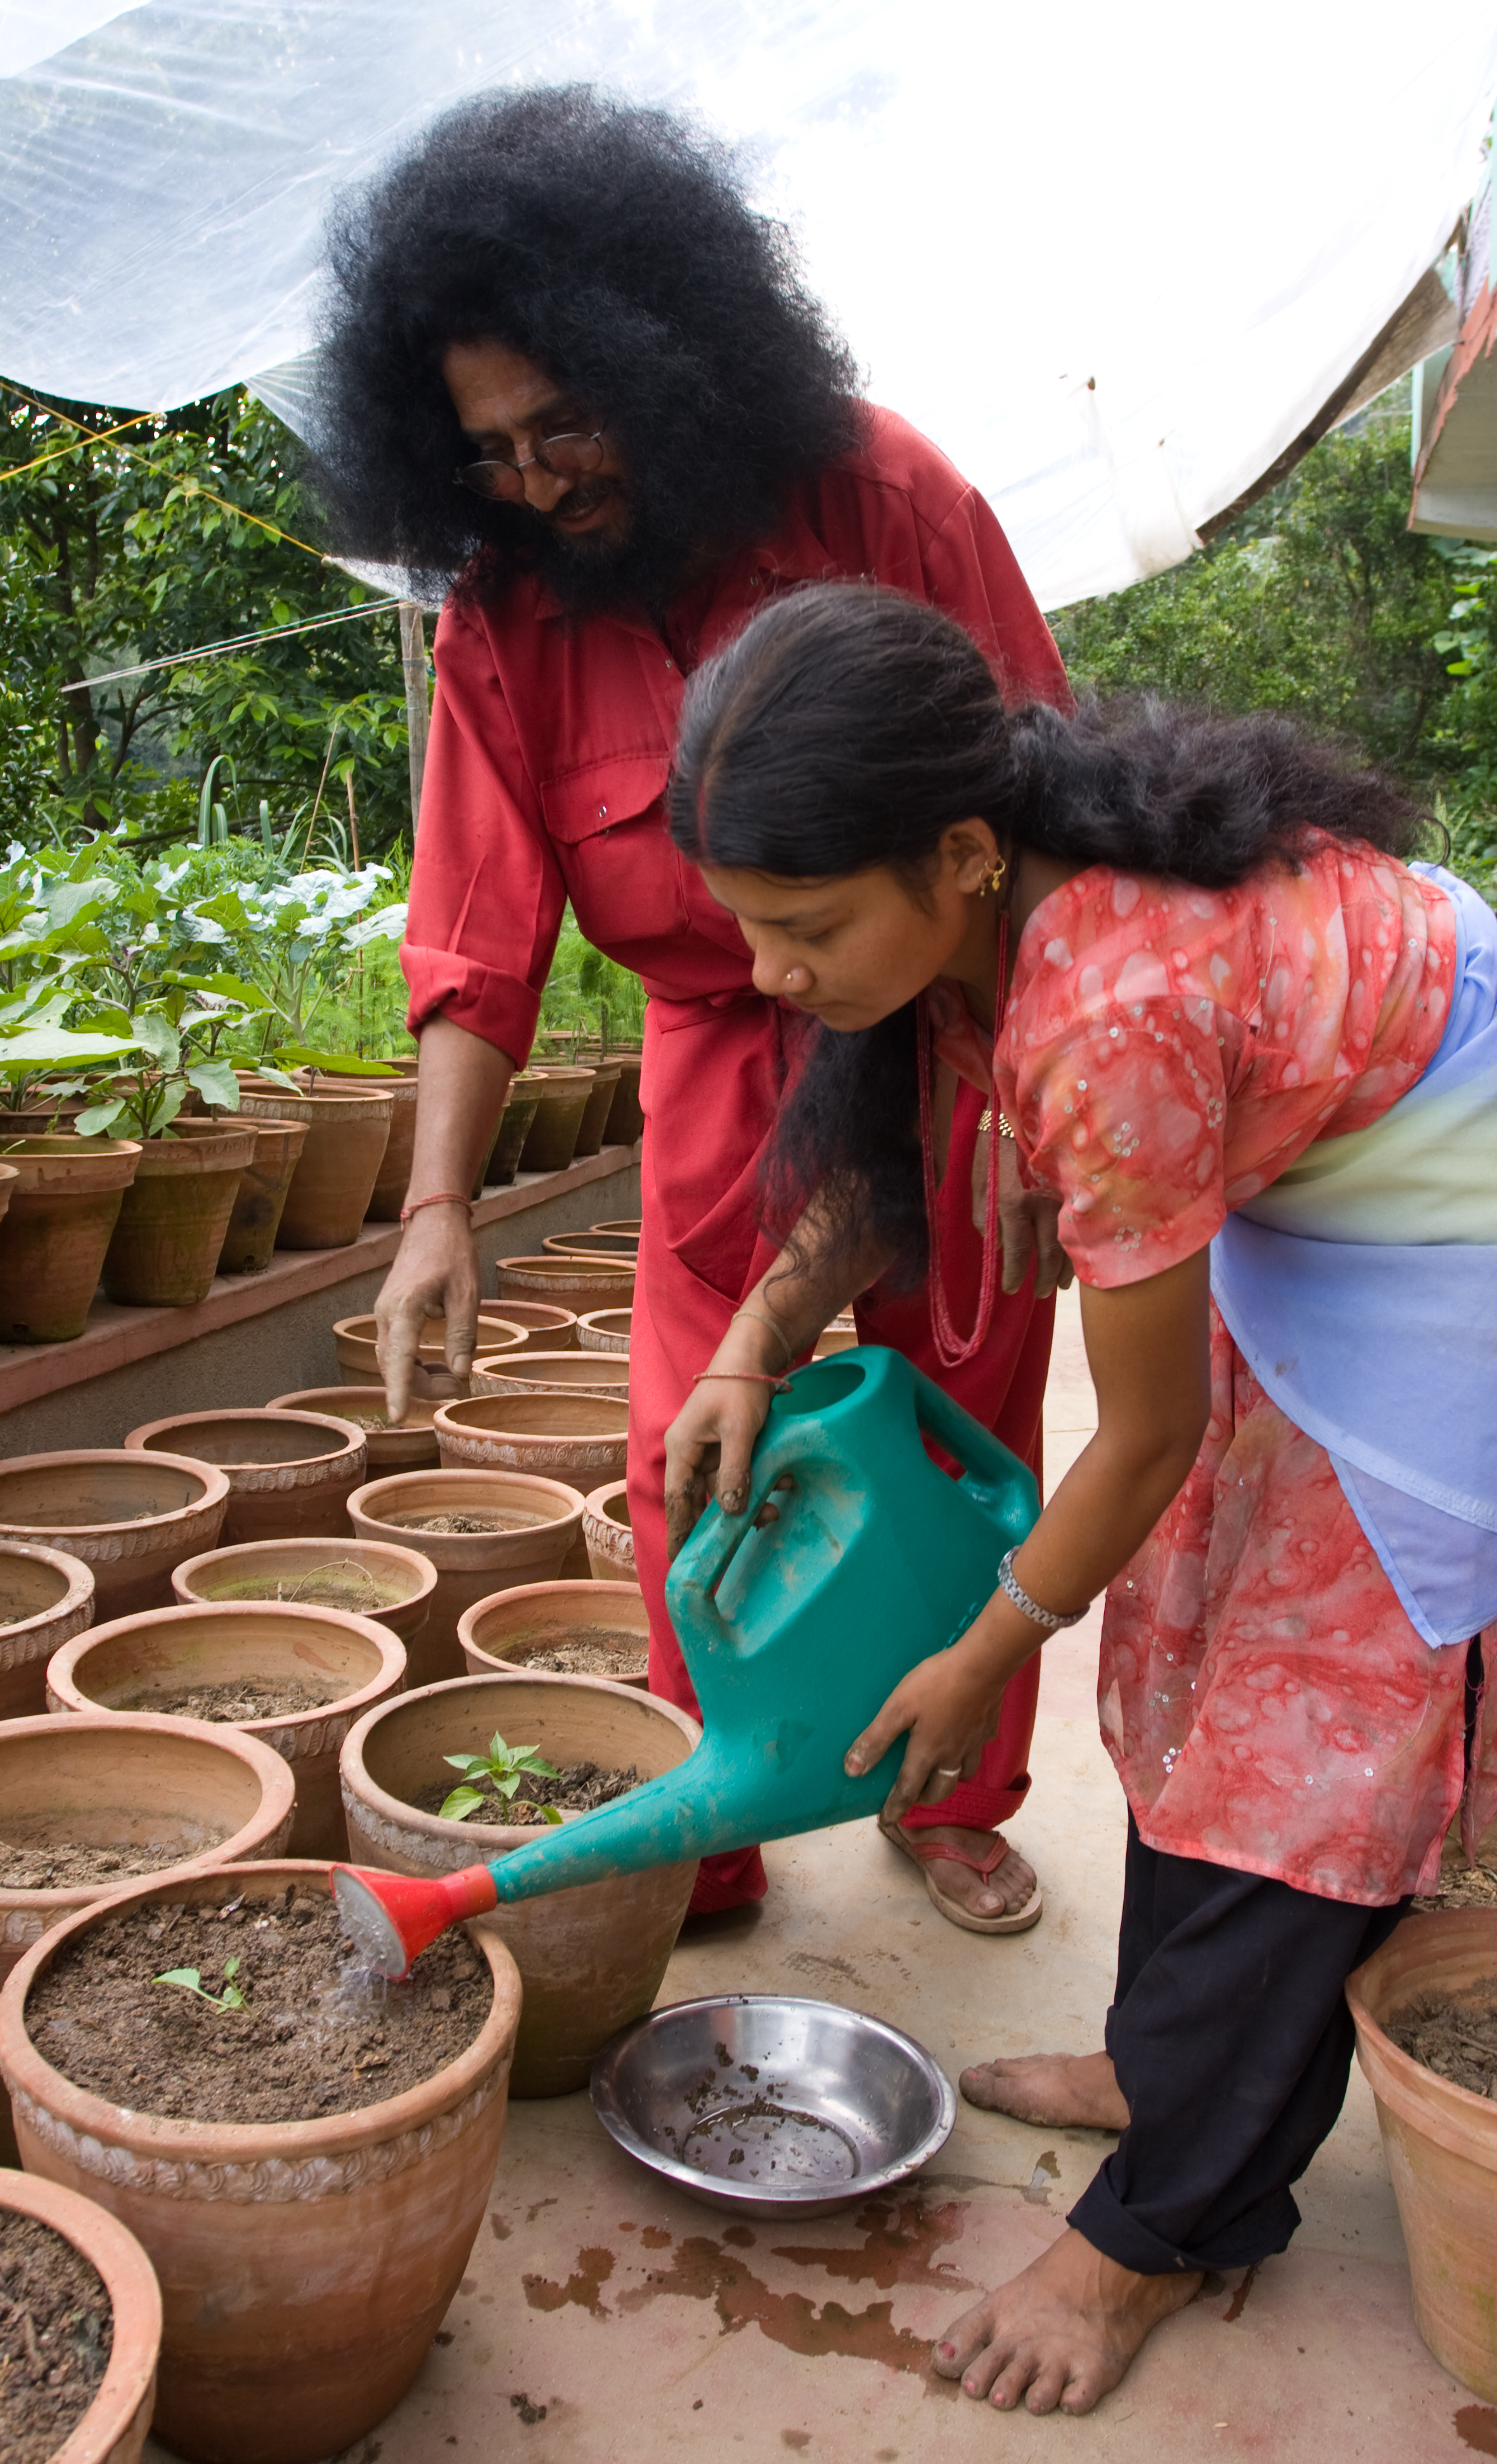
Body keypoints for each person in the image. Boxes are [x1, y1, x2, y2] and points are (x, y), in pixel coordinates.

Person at [662, 580, 1496, 2415]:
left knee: (1304, 1752)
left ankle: (1170, 2220)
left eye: (806, 930)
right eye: (748, 930)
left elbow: (1132, 1436)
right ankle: (1166, 2062)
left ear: (960, 851)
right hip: (1337, 1191)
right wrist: (748, 1345)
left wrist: (983, 1654)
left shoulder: (1112, 1001)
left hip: (1454, 1249)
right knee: (1182, 1657)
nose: (774, 977)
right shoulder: (1001, 889)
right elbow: (884, 1171)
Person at [316, 84, 1073, 1923]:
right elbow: (479, 930)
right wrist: (434, 1212)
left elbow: (1045, 822)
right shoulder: (500, 613)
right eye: (485, 451)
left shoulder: (888, 498)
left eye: (563, 422)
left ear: (666, 352)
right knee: (699, 1458)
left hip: (963, 1048)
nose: (537, 479)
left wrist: (1058, 1107)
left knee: (949, 1434)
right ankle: (716, 1819)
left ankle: (944, 1790)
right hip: (724, 1078)